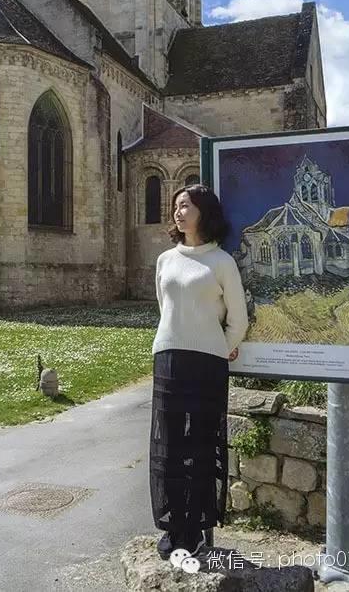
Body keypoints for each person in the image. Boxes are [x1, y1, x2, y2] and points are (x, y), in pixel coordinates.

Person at [149, 183, 249, 561]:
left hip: (208, 363)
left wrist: (219, 348)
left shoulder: (221, 261)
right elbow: (166, 310)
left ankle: (195, 528)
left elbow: (238, 319)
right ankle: (173, 527)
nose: (178, 211)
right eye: (176, 206)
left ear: (203, 212)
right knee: (170, 447)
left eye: (186, 205)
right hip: (169, 358)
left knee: (202, 447)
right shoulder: (165, 260)